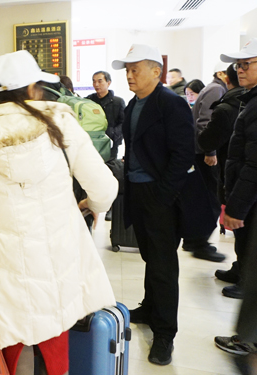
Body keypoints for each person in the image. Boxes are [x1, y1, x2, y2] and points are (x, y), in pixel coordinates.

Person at [0, 50, 118, 375]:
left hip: (7, 263)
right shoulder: (59, 122)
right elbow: (104, 188)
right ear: (32, 88)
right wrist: (92, 206)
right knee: (54, 342)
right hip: (58, 256)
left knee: (9, 349)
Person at [113, 44, 196, 365]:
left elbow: (183, 154)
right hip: (138, 191)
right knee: (150, 256)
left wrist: (163, 195)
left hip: (160, 194)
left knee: (163, 265)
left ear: (156, 71)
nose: (129, 75)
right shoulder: (135, 103)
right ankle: (150, 308)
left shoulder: (171, 103)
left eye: (135, 69)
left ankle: (164, 334)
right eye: (127, 70)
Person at [212, 39, 257, 364]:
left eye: (247, 64)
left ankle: (248, 342)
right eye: (238, 65)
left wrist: (236, 208)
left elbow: (253, 164)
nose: (240, 70)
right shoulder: (248, 100)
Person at [199, 64, 244, 289]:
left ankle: (245, 277)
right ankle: (241, 269)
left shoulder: (228, 105)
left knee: (244, 223)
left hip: (238, 170)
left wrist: (209, 150)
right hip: (234, 169)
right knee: (243, 225)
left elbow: (207, 138)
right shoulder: (239, 101)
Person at [183, 63, 228, 262]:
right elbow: (205, 122)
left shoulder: (214, 88)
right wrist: (210, 151)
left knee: (205, 198)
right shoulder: (216, 89)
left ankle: (194, 240)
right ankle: (199, 243)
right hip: (204, 154)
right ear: (221, 73)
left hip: (201, 152)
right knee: (210, 200)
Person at [87, 70, 126, 160]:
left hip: (111, 143)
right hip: (93, 142)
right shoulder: (89, 101)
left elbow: (124, 122)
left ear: (108, 83)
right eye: (94, 81)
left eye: (100, 81)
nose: (96, 84)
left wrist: (113, 134)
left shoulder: (118, 102)